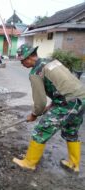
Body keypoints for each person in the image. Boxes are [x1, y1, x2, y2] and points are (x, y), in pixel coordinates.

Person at [13, 44, 85, 173]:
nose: (22, 64)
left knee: (41, 130)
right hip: (81, 97)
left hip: (69, 102)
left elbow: (40, 102)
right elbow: (63, 84)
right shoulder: (51, 62)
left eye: (22, 60)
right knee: (71, 131)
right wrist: (52, 105)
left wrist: (34, 114)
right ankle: (73, 165)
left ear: (29, 57)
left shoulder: (36, 72)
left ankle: (29, 163)